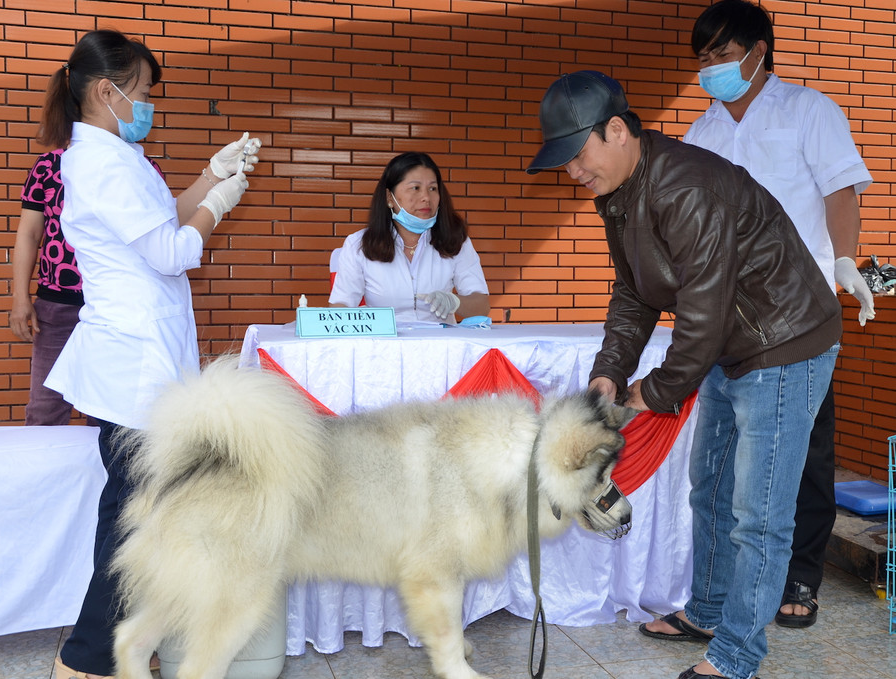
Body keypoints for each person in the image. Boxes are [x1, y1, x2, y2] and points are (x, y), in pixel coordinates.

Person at [527, 70, 840, 679]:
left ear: (616, 131)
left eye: (577, 155)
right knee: (710, 487)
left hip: (787, 343)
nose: (573, 173)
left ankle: (735, 656)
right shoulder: (619, 193)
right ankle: (707, 610)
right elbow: (633, 292)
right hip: (736, 346)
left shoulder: (688, 187)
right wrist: (609, 373)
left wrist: (655, 391)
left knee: (760, 512)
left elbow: (702, 311)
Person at [36, 29, 260, 679]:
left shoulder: (117, 156)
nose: (149, 104)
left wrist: (210, 176)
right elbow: (171, 250)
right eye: (143, 92)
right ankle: (84, 662)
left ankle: (130, 647)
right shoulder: (100, 163)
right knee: (132, 522)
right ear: (106, 92)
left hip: (144, 365)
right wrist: (220, 203)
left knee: (147, 515)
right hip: (131, 372)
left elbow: (164, 218)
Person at [683, 0, 874, 630]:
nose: (711, 67)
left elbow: (839, 190)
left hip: (799, 311)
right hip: (728, 315)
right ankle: (720, 591)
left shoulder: (809, 111)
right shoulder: (702, 131)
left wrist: (845, 261)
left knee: (806, 449)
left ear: (759, 50)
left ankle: (801, 577)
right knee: (727, 457)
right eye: (703, 58)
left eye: (721, 53)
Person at [328, 151, 489, 324]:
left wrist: (455, 302)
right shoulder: (358, 245)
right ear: (390, 197)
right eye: (415, 188)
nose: (426, 198)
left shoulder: (456, 240)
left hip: (441, 346)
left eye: (433, 188)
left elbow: (481, 306)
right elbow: (341, 305)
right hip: (384, 346)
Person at [10, 149, 83, 425]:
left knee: (109, 418)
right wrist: (20, 298)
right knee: (44, 411)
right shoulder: (49, 165)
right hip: (57, 307)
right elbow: (29, 232)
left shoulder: (137, 163)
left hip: (114, 307)